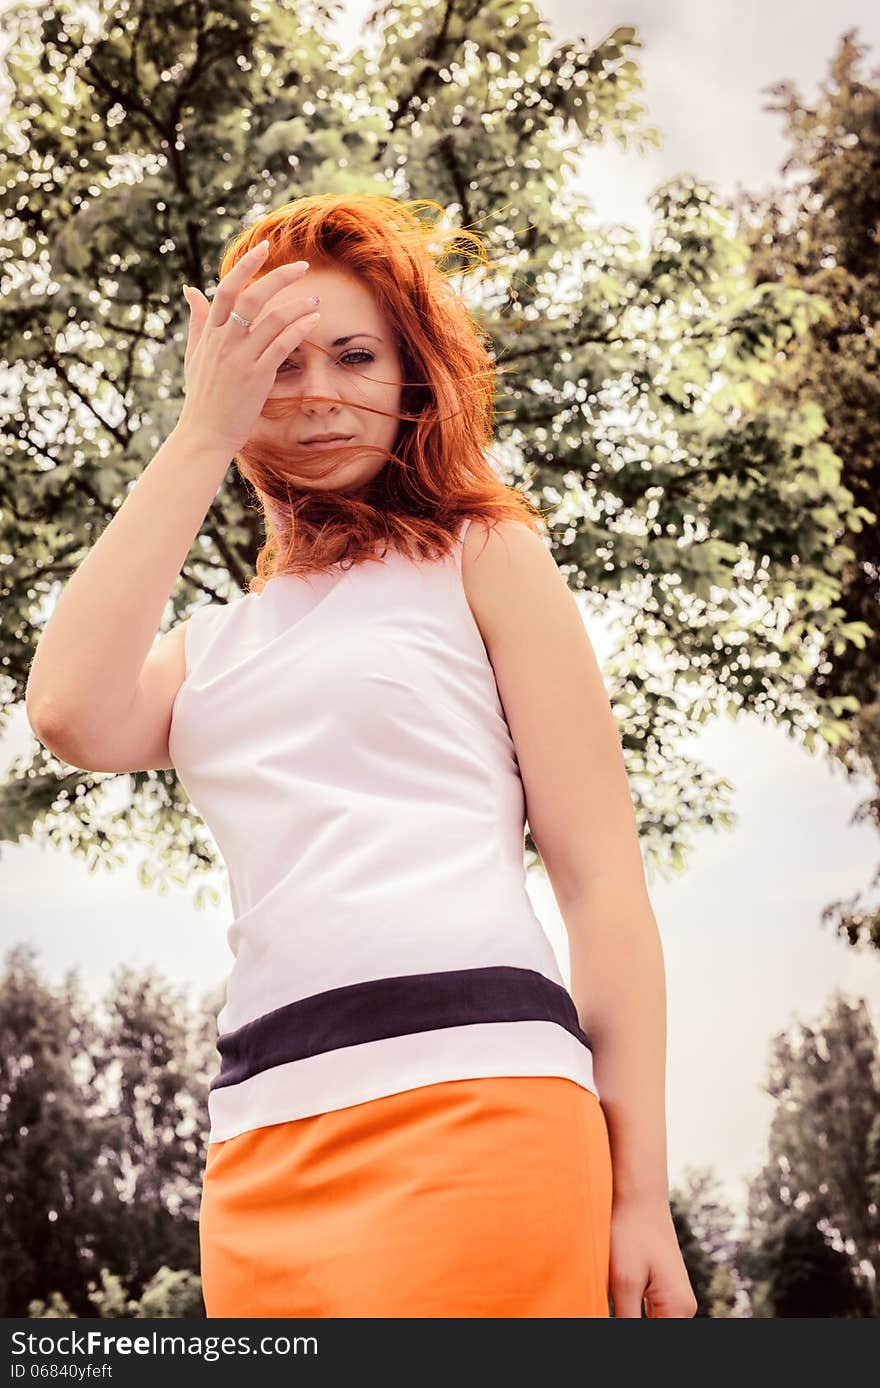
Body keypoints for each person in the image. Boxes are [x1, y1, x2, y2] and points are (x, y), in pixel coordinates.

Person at [25, 193, 697, 1319]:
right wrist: (200, 432)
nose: (319, 390)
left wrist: (639, 1191)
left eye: (353, 354)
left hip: (477, 1103)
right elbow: (67, 712)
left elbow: (600, 880)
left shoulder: (485, 554)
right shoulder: (212, 645)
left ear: (409, 377)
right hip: (260, 1139)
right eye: (277, 364)